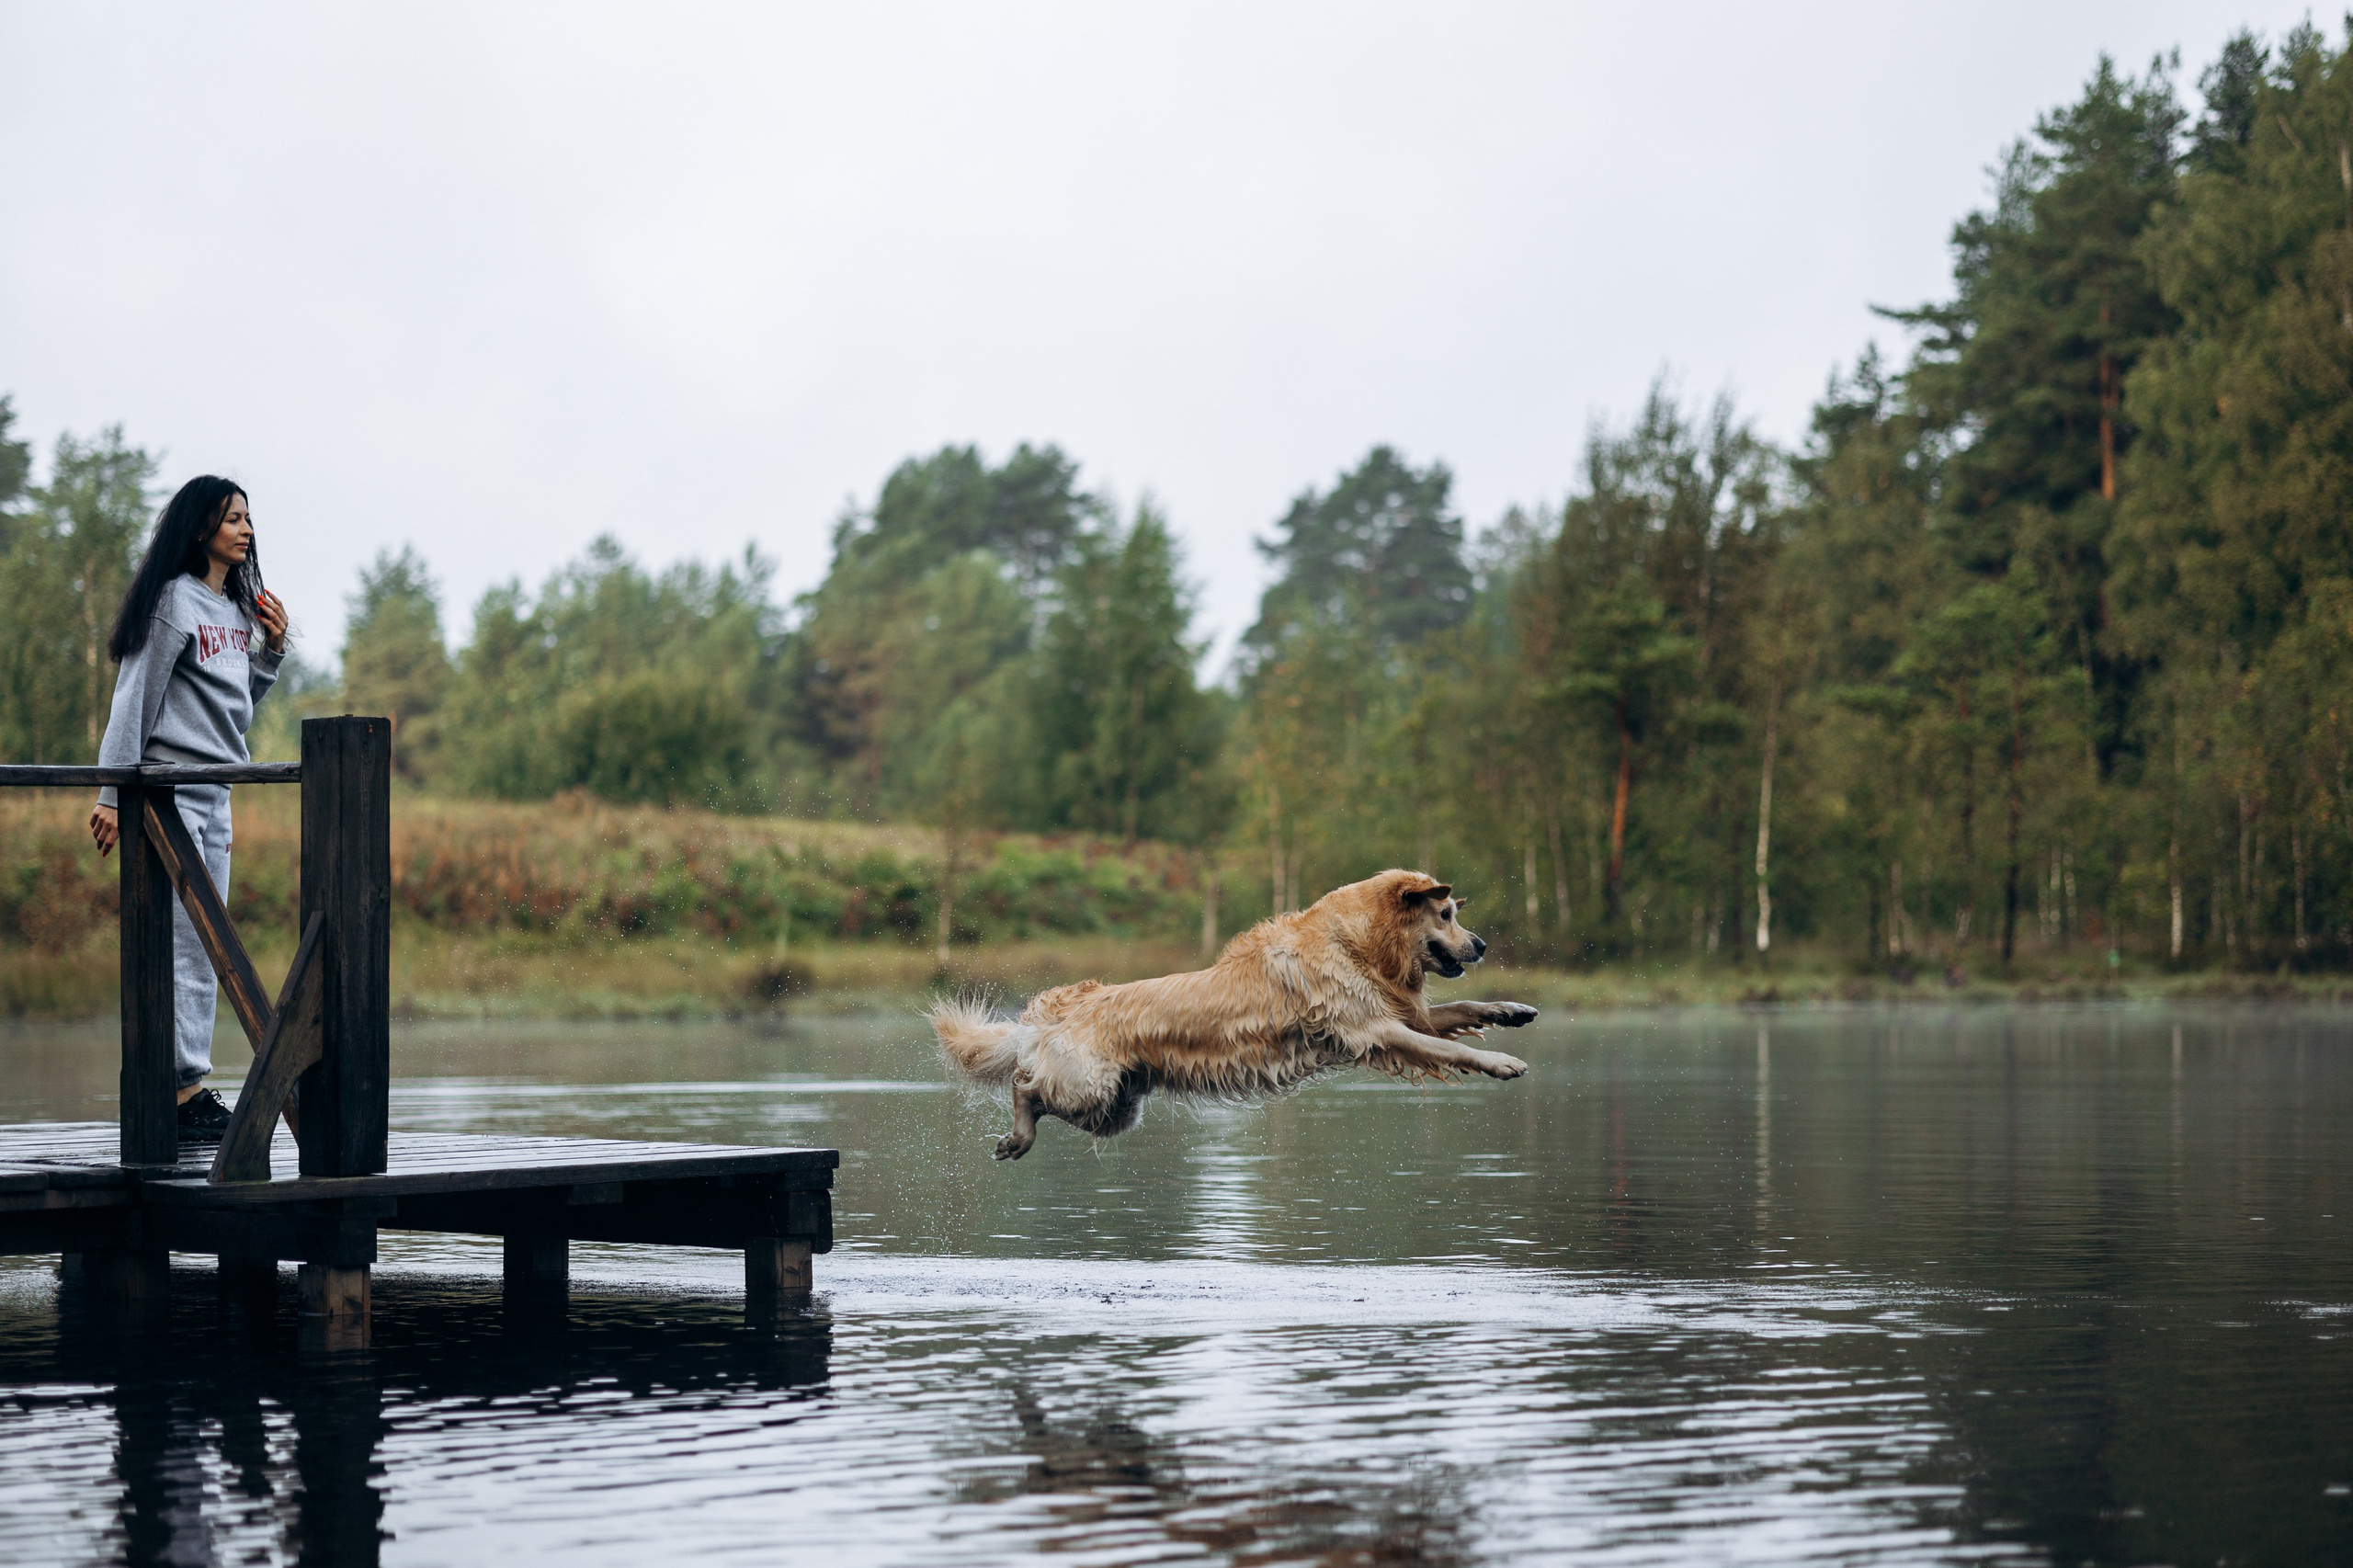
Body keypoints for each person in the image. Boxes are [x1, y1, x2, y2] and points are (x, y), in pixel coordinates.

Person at [88, 476, 290, 1144]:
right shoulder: (175, 602)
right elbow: (133, 701)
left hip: (217, 791)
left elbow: (235, 711)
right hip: (169, 795)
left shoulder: (233, 613)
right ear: (201, 527)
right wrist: (112, 793)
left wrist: (271, 651)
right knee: (178, 943)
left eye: (248, 520)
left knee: (208, 947)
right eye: (232, 518)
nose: (245, 530)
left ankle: (188, 1085)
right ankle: (178, 1089)